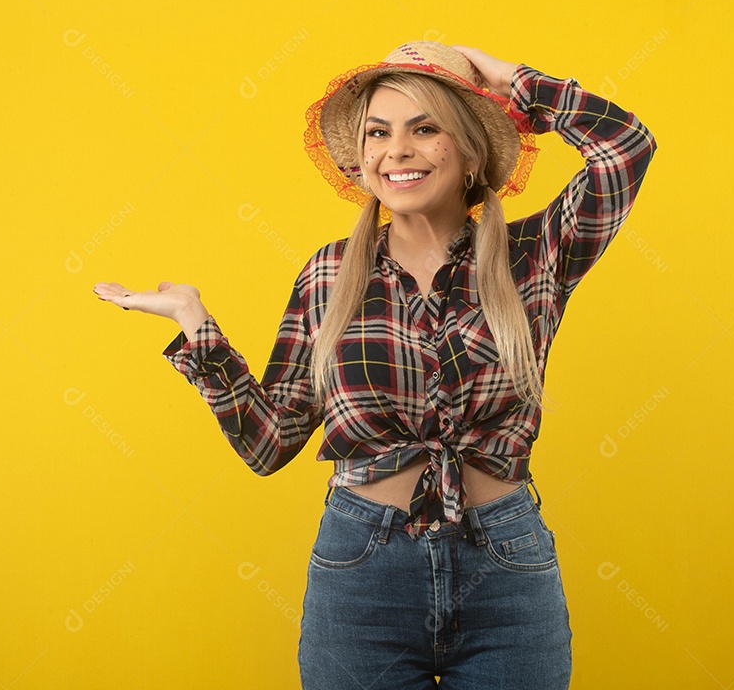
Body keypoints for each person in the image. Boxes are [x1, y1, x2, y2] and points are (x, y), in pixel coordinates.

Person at [94, 40, 656, 689]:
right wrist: (195, 325)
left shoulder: (532, 254)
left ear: (471, 148)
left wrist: (509, 81)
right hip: (363, 572)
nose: (398, 149)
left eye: (425, 127)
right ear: (361, 160)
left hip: (506, 568)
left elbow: (626, 148)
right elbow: (269, 443)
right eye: (379, 132)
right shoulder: (331, 273)